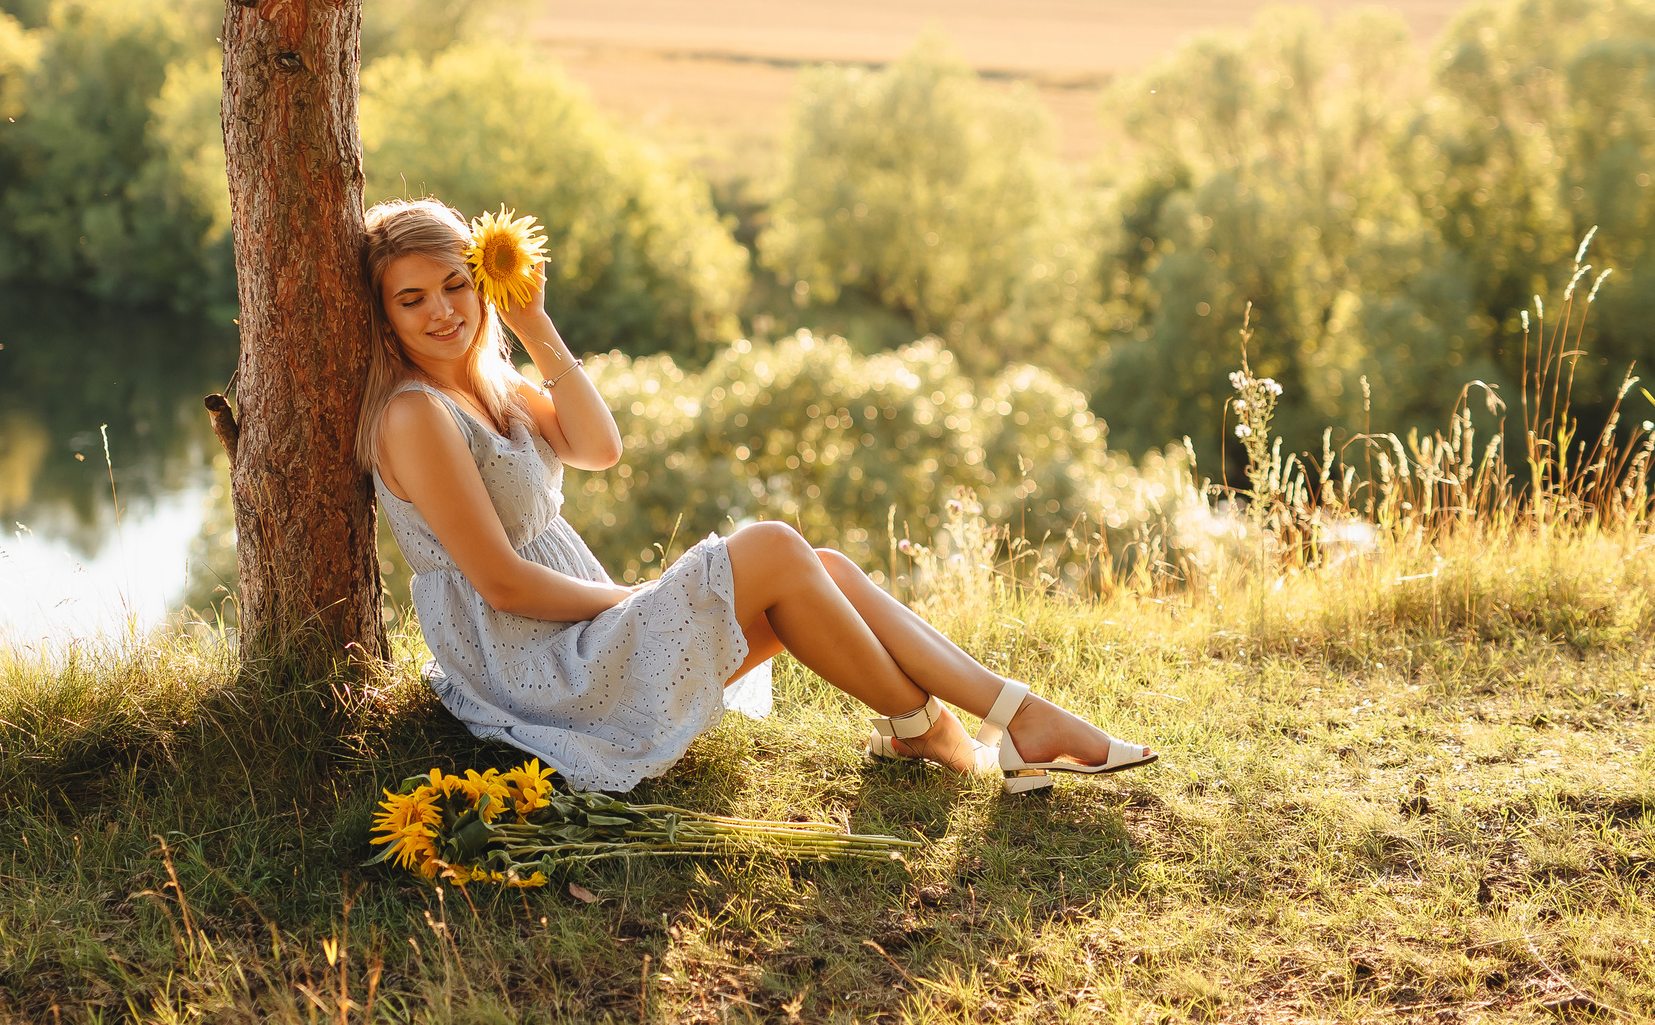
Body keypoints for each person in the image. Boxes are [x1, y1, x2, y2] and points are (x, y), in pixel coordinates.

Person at [359, 197, 1159, 796]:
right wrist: (635, 600)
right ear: (385, 316)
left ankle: (952, 726)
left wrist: (533, 325)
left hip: (581, 632)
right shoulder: (415, 415)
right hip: (536, 663)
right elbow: (500, 583)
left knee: (828, 567)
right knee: (775, 547)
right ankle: (997, 721)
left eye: (455, 285)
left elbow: (601, 446)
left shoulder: (490, 385)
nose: (441, 310)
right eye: (412, 298)